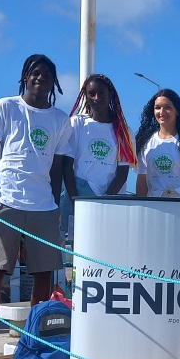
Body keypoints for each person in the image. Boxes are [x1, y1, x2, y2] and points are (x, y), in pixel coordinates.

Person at [0, 54, 74, 359]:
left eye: (46, 74)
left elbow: (57, 168)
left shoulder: (60, 120)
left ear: (54, 81)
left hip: (44, 206)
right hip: (7, 203)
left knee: (43, 275)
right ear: (25, 77)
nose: (40, 78)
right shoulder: (6, 107)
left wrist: (56, 205)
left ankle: (32, 339)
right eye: (34, 73)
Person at [59, 74, 137, 241]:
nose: (97, 97)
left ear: (110, 95)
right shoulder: (77, 124)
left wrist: (103, 203)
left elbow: (122, 174)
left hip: (110, 198)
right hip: (78, 195)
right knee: (77, 249)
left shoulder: (124, 131)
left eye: (101, 93)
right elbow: (67, 166)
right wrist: (75, 201)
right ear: (85, 96)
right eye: (91, 93)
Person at [135, 89, 180, 199]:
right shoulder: (145, 141)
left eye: (168, 107)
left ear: (177, 111)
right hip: (155, 203)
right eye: (158, 108)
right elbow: (142, 180)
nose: (162, 112)